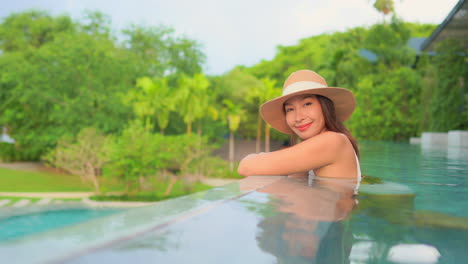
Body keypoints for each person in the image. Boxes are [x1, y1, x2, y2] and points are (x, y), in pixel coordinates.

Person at [238, 69, 361, 180]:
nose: (298, 117)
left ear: (325, 107)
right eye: (290, 109)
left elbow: (245, 167)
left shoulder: (333, 141)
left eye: (307, 104)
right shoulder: (316, 149)